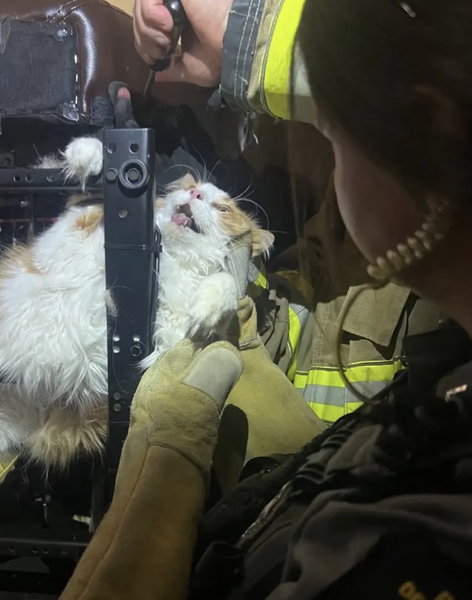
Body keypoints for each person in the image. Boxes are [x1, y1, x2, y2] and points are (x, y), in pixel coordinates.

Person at [54, 0, 472, 597]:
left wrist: (167, 472)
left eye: (334, 141)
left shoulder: (422, 527)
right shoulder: (445, 373)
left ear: (428, 128)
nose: (334, 179)